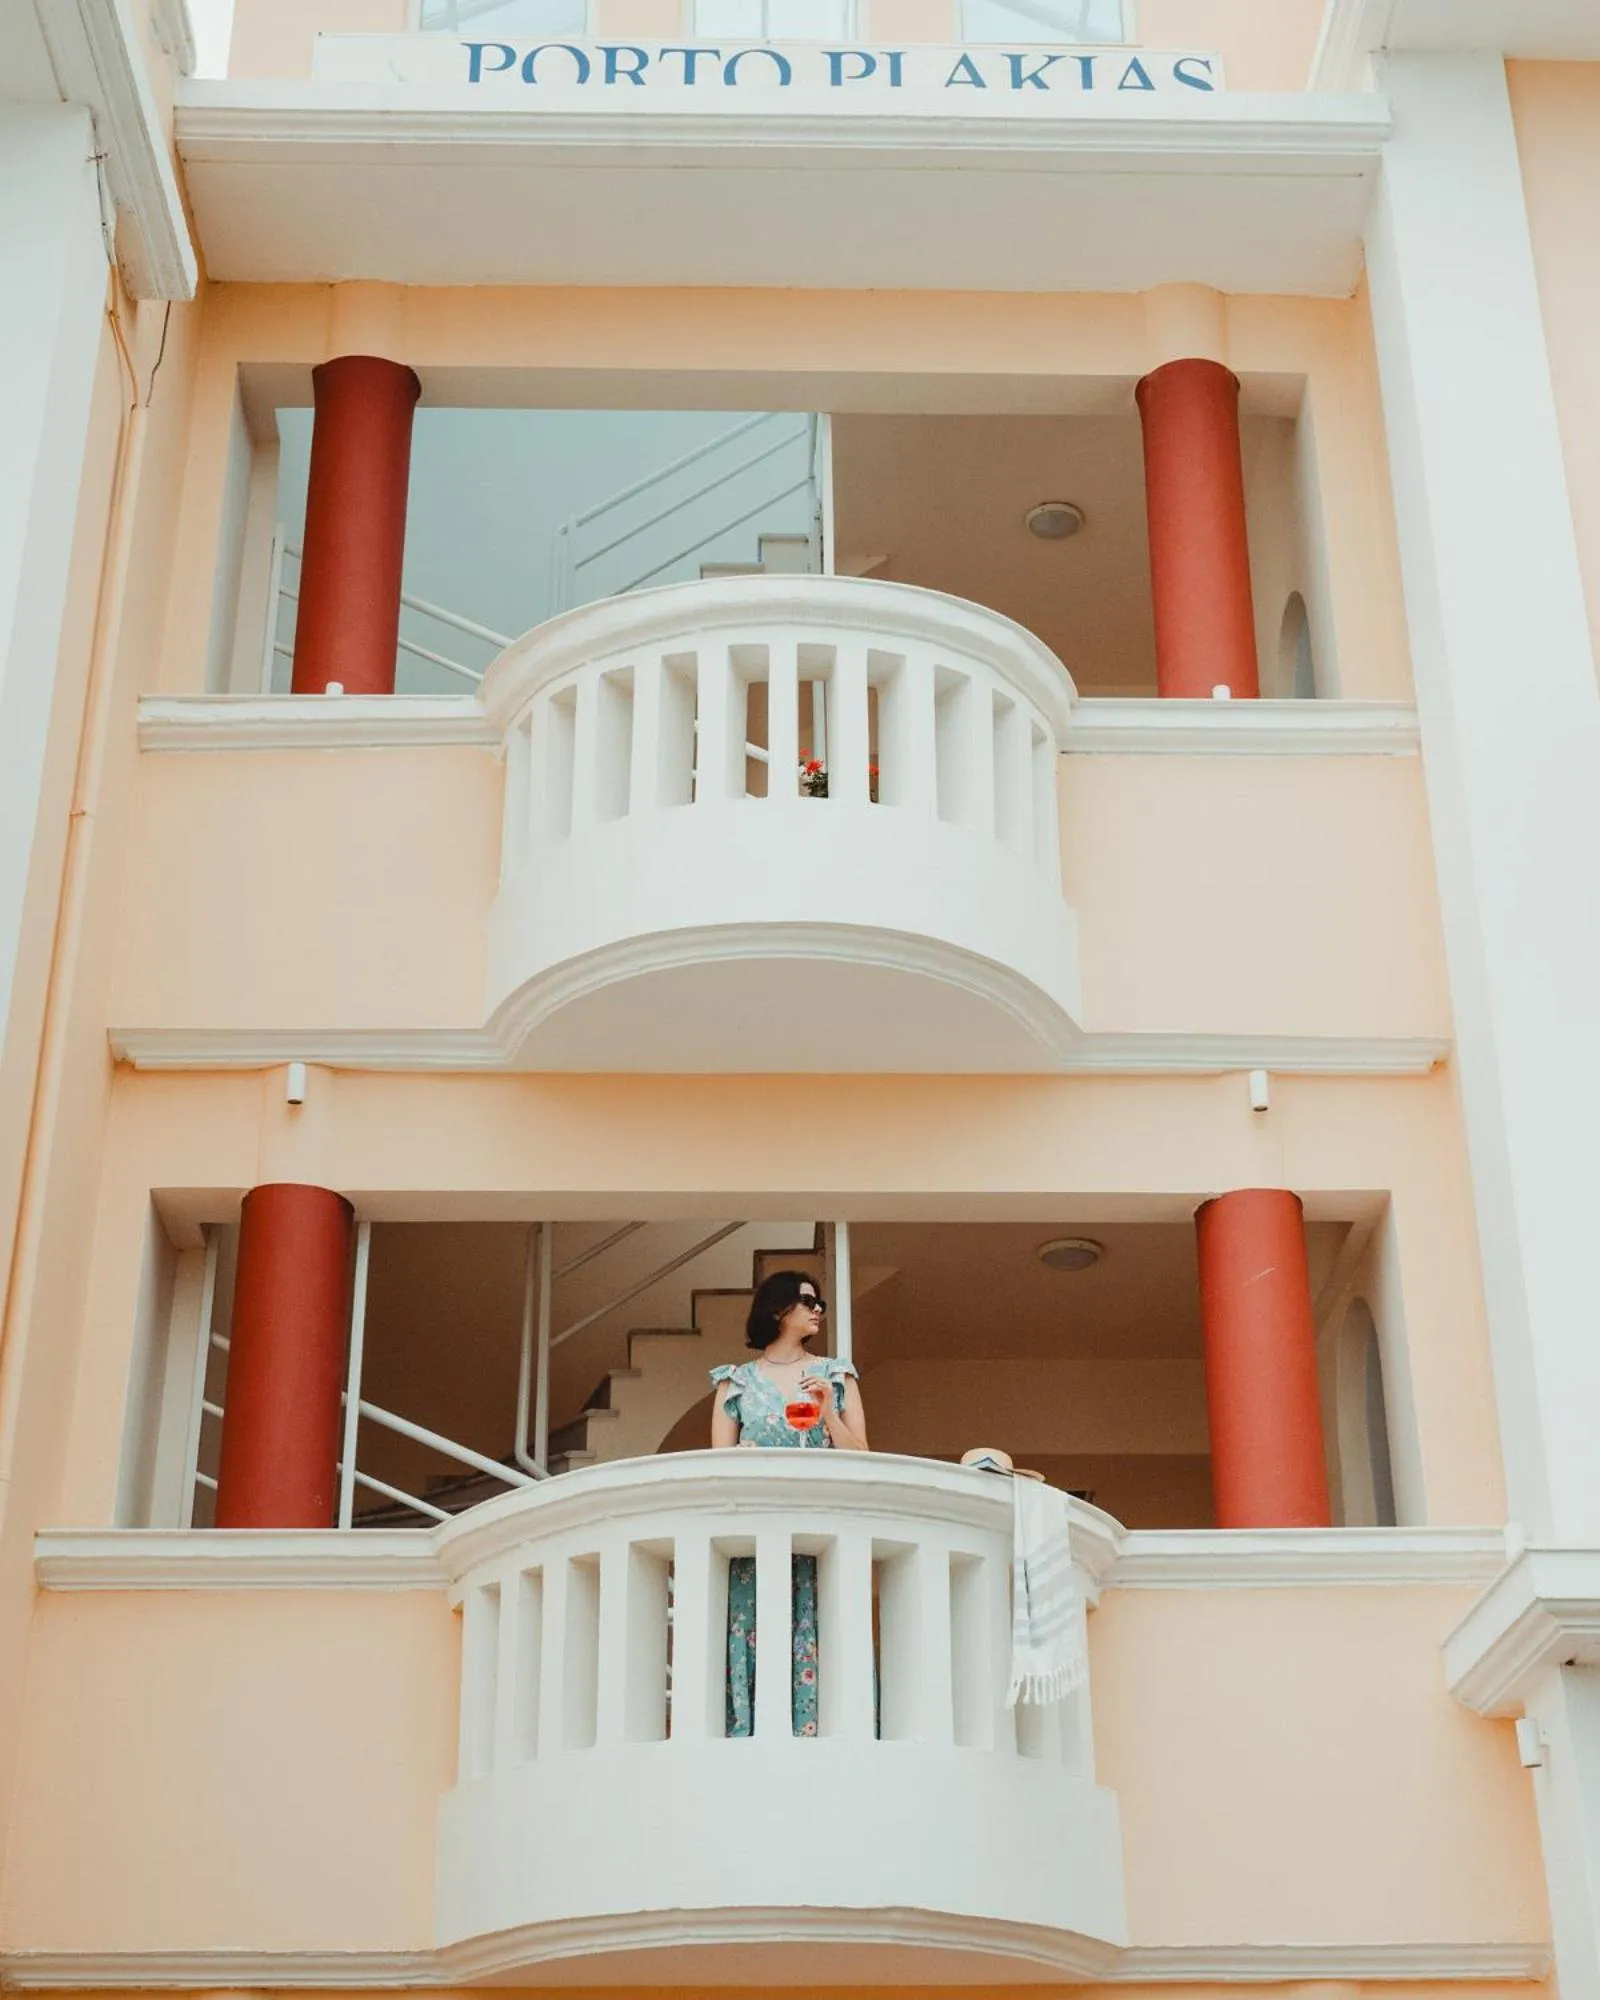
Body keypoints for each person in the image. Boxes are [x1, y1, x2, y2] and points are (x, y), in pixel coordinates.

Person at [709, 1269, 868, 1737]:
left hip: (821, 1527)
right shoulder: (735, 1382)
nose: (818, 1310)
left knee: (824, 1625)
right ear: (778, 1308)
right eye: (807, 1301)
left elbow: (862, 1456)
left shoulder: (835, 1374)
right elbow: (717, 1466)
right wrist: (742, 1459)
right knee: (756, 1627)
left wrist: (828, 1414)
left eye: (820, 1303)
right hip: (756, 1532)